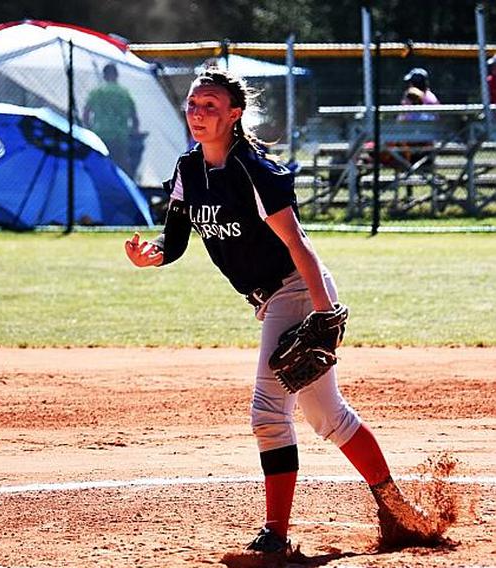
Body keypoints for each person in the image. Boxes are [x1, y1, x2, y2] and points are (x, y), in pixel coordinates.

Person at [124, 68, 439, 558]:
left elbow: (298, 242)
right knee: (329, 417)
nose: (198, 113)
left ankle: (275, 536)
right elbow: (178, 239)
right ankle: (396, 509)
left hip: (295, 291)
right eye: (193, 104)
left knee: (268, 415)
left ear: (234, 114)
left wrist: (324, 313)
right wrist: (154, 254)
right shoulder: (189, 170)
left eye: (210, 105)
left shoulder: (252, 169)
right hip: (271, 300)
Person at [83, 63, 140, 176]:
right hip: (120, 136)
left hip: (100, 135)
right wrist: (133, 132)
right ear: (117, 75)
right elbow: (134, 117)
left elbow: (86, 114)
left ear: (104, 76)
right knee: (120, 168)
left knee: (100, 167)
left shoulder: (96, 92)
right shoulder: (124, 93)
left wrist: (89, 129)